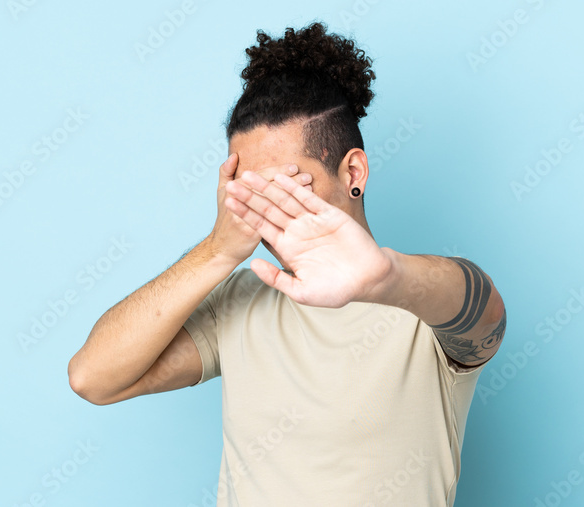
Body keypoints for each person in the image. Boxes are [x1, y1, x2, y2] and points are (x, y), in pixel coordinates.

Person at [67, 21, 507, 506]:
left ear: (353, 173)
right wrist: (217, 250)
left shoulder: (421, 302)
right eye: (250, 194)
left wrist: (389, 277)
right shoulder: (239, 301)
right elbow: (93, 378)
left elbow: (485, 311)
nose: (268, 212)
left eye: (286, 188)